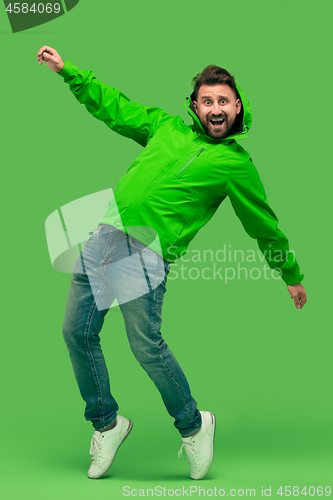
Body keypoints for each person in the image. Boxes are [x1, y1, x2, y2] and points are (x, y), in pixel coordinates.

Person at [37, 46, 307, 481]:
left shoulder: (235, 166)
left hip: (145, 257)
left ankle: (194, 425)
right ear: (195, 107)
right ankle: (107, 424)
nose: (215, 108)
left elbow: (265, 226)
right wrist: (69, 72)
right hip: (102, 237)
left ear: (237, 108)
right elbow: (116, 107)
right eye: (207, 101)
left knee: (146, 347)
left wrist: (289, 274)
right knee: (76, 332)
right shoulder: (165, 127)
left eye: (223, 101)